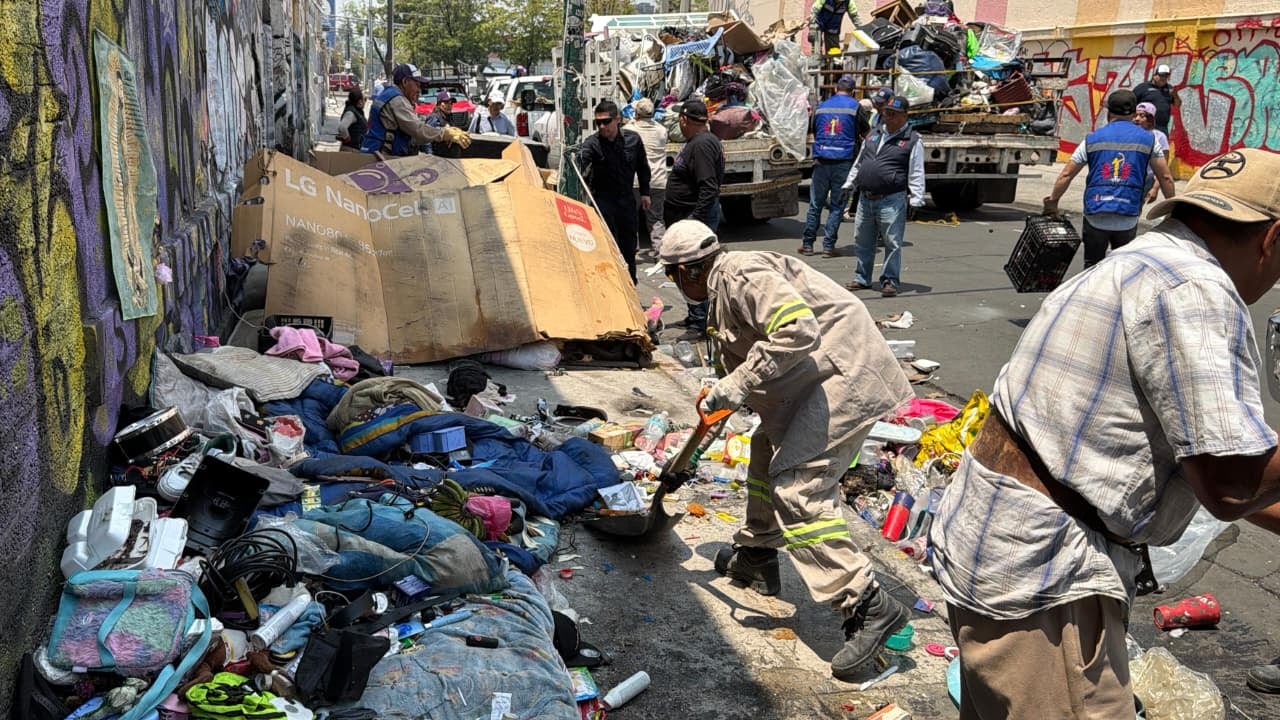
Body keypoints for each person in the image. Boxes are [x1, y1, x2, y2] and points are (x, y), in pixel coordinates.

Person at [928, 147, 1280, 719]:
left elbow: (1201, 466)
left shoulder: (1141, 261)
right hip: (1044, 575)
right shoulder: (1196, 292)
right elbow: (1231, 483)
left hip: (997, 541)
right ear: (1271, 238)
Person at [657, 219, 915, 682]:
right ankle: (757, 555)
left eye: (675, 278)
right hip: (816, 382)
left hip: (844, 377)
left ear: (688, 272)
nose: (678, 287)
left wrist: (737, 382)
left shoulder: (739, 276)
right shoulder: (723, 290)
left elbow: (797, 329)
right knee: (762, 450)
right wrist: (715, 412)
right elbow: (745, 378)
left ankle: (869, 604)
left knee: (797, 489)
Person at [1042, 89, 1176, 268]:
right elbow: (1166, 177)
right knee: (1121, 269)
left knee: (1092, 268)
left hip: (1095, 212)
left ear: (1109, 112)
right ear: (1133, 113)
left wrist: (1053, 202)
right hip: (1128, 214)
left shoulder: (1092, 139)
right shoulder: (1149, 140)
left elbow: (1066, 174)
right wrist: (1172, 211)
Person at [840, 96, 924, 296]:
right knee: (863, 240)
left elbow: (916, 171)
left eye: (893, 113)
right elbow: (860, 162)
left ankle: (889, 280)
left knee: (892, 242)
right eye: (886, 112)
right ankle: (862, 278)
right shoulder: (873, 134)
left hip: (891, 199)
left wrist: (916, 198)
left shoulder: (912, 140)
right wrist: (848, 184)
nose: (888, 116)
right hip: (866, 198)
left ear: (905, 116)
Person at [663, 100, 724, 341]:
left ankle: (701, 323)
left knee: (694, 271)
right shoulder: (699, 142)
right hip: (686, 216)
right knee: (687, 270)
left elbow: (708, 187)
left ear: (684, 120)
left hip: (694, 219)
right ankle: (694, 315)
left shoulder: (701, 145)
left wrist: (694, 223)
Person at [578, 100, 651, 283]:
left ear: (618, 119)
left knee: (628, 249)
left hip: (626, 201)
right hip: (603, 202)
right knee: (607, 249)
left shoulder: (633, 140)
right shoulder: (592, 144)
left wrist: (645, 192)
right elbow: (579, 163)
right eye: (598, 123)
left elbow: (643, 167)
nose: (602, 126)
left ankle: (630, 287)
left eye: (606, 121)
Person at [802, 74, 865, 257]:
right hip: (844, 162)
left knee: (815, 205)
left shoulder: (821, 107)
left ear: (836, 89)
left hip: (821, 161)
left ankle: (807, 244)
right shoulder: (855, 107)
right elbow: (865, 132)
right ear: (852, 91)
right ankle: (828, 246)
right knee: (837, 206)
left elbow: (813, 130)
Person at [361, 64, 470, 156]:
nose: (419, 90)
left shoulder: (389, 94)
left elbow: (413, 136)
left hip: (375, 154)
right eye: (417, 85)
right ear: (405, 82)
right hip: (380, 158)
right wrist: (445, 134)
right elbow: (418, 130)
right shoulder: (397, 100)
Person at [629, 98, 670, 256]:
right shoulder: (661, 130)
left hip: (635, 181)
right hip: (657, 180)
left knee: (631, 214)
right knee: (656, 217)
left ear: (637, 114)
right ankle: (661, 251)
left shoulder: (630, 129)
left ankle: (632, 246)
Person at [1134, 101, 1170, 203]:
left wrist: (1155, 188)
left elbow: (1163, 168)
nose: (1137, 119)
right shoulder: (1130, 135)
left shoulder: (1159, 137)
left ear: (1150, 119)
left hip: (1147, 180)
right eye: (1135, 115)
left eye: (1142, 116)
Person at [1133, 63, 1179, 137]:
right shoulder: (1143, 87)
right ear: (1155, 75)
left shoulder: (1169, 88)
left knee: (1161, 148)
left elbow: (1177, 104)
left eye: (1166, 76)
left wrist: (1175, 95)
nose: (1163, 78)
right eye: (1161, 75)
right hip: (1145, 126)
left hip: (1162, 128)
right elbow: (1132, 103)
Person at [426, 91, 462, 158]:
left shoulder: (449, 116)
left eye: (451, 103)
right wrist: (430, 156)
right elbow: (427, 138)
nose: (449, 105)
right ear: (439, 104)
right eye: (446, 103)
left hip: (450, 156)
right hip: (438, 157)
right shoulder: (434, 117)